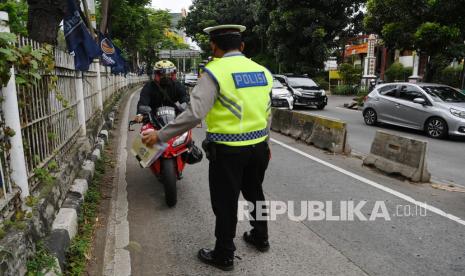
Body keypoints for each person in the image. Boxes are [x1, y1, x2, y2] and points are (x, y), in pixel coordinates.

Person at [141, 24, 273, 271]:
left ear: (214, 46)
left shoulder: (214, 72)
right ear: (241, 46)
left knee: (226, 202)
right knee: (255, 193)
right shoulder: (262, 71)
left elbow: (194, 114)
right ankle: (260, 237)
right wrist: (266, 143)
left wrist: (160, 136)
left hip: (229, 150)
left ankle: (224, 254)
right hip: (258, 148)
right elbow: (267, 112)